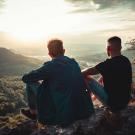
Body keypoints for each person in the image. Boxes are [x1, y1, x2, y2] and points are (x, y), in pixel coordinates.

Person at [21, 39, 94, 126]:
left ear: (49, 54)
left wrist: (39, 71)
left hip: (65, 114)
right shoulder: (74, 63)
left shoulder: (51, 66)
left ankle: (33, 113)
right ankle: (34, 112)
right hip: (85, 110)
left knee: (30, 83)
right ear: (64, 51)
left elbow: (25, 78)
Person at [83, 36, 132, 112]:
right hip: (125, 102)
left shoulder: (107, 64)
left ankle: (86, 105)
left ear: (108, 49)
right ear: (121, 47)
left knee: (86, 78)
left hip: (113, 104)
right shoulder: (126, 61)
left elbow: (86, 72)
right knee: (104, 76)